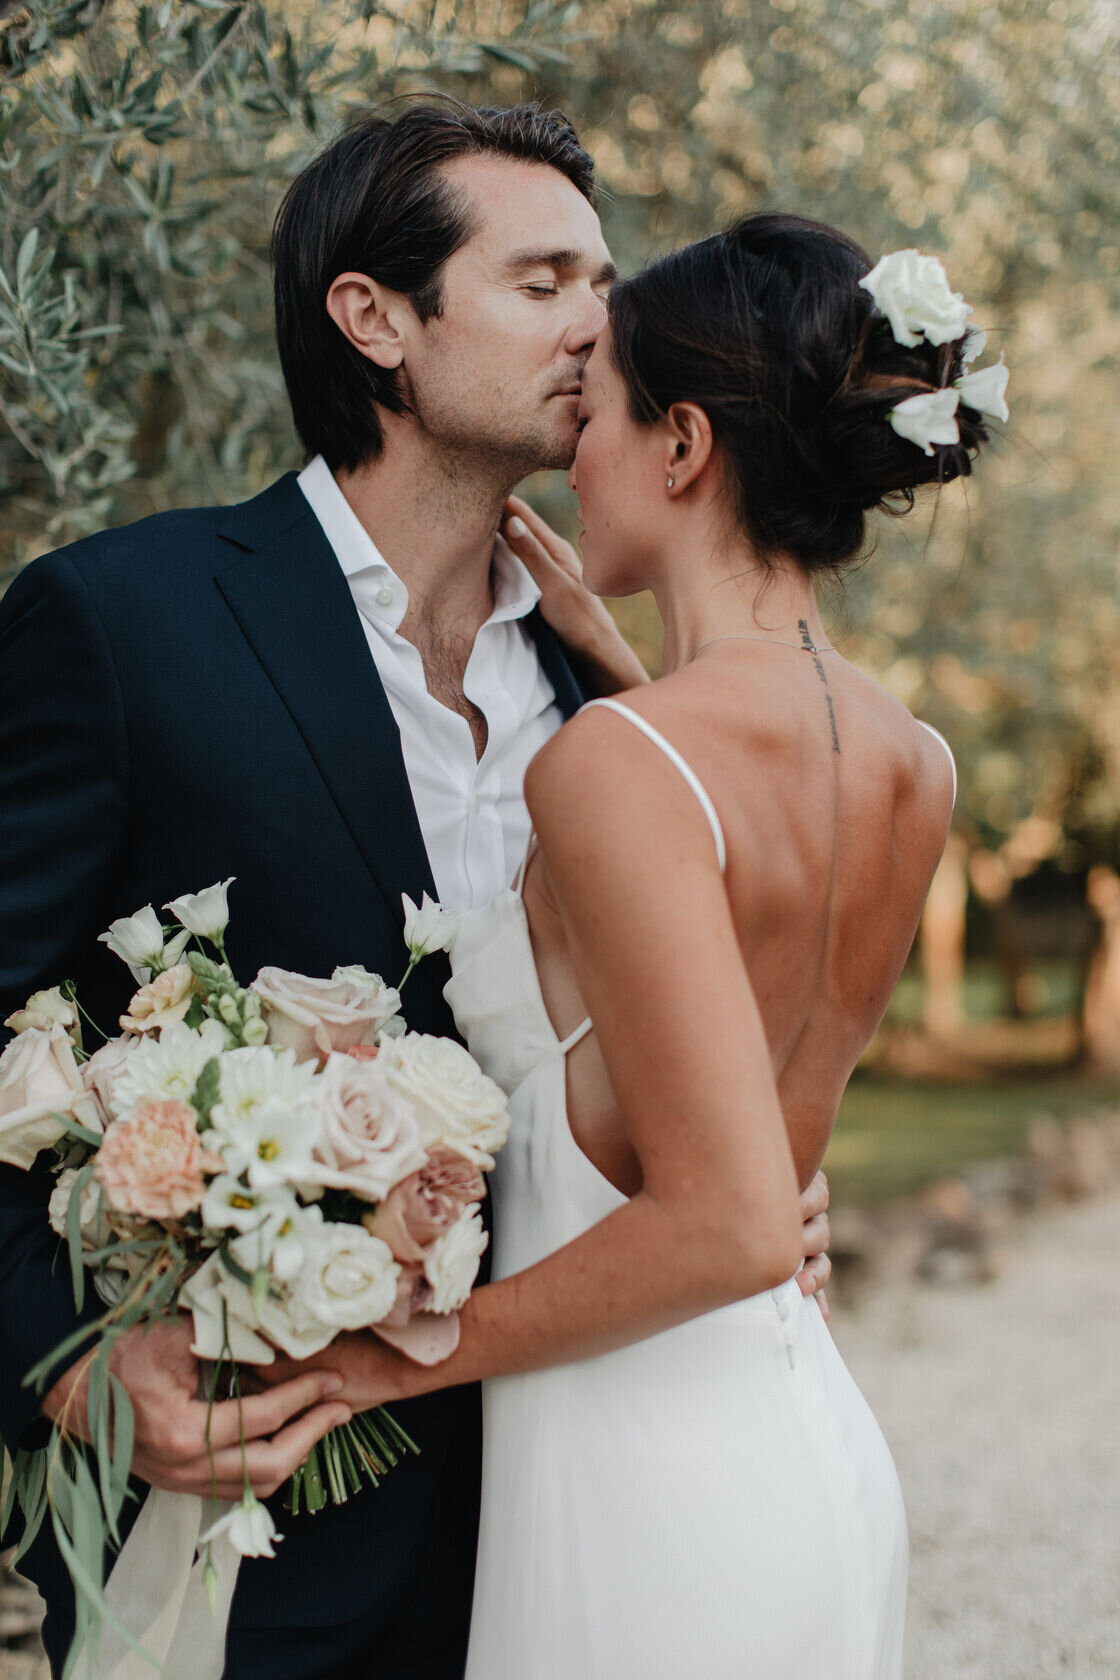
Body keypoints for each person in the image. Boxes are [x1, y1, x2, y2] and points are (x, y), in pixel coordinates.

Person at [0, 104, 830, 1680]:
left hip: (580, 1497)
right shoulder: (120, 625)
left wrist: (749, 1179)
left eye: (605, 278)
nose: (604, 320)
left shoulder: (615, 720)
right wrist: (65, 1368)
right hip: (253, 1519)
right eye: (541, 281)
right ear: (376, 319)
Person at [261, 213, 997, 1678]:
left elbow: (726, 1223)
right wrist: (631, 665)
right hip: (797, 1446)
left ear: (682, 450)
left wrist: (387, 1357)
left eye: (593, 415)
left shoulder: (623, 765)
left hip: (644, 1500)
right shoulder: (913, 760)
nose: (569, 451)